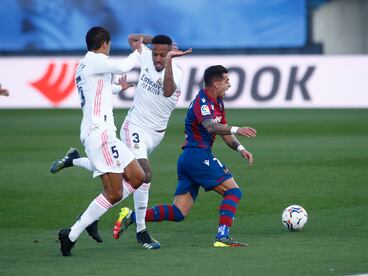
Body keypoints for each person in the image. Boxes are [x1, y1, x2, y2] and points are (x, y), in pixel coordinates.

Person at [51, 33, 192, 249]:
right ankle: (141, 230)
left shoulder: (177, 73)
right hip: (132, 127)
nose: (157, 59)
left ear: (170, 55)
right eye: (155, 53)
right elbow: (133, 39)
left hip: (154, 133)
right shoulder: (141, 55)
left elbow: (168, 89)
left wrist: (163, 58)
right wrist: (150, 42)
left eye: (162, 55)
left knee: (123, 173)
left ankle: (76, 165)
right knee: (143, 175)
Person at [116, 65, 257, 247]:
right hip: (197, 156)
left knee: (178, 212)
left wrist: (240, 148)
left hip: (190, 159)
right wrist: (239, 129)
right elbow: (211, 127)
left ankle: (131, 216)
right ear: (216, 83)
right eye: (227, 81)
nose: (229, 85)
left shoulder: (218, 103)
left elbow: (224, 130)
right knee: (233, 191)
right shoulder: (202, 102)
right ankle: (222, 237)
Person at [56, 26, 146, 256]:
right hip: (99, 133)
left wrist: (119, 87)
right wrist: (138, 50)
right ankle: (73, 233)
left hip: (105, 132)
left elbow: (99, 89)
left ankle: (90, 216)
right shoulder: (95, 60)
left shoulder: (86, 64)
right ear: (104, 44)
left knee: (137, 177)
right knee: (114, 193)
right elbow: (124, 66)